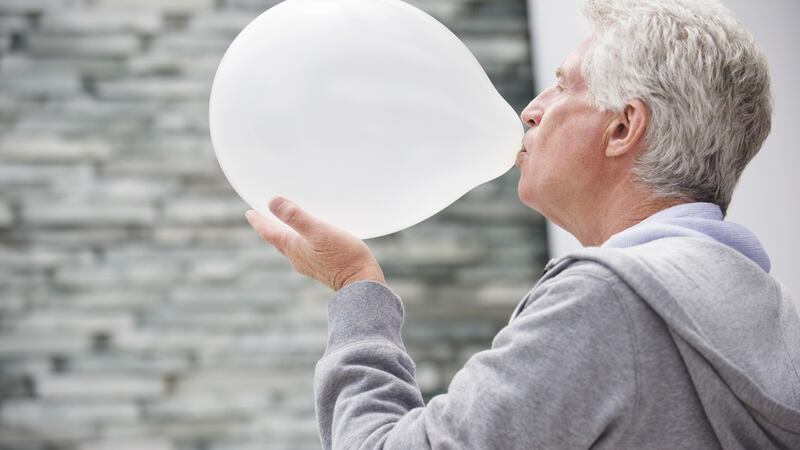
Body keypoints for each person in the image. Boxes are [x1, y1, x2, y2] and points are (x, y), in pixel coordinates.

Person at [244, 0, 800, 448]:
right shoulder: (774, 320)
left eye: (563, 85)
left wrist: (355, 288)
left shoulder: (608, 302)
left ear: (623, 128)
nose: (531, 109)